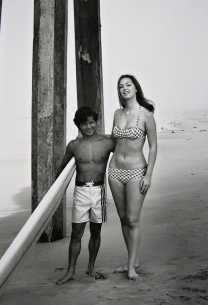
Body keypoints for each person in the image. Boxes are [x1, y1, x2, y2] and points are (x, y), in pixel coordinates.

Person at [56, 106, 115, 284]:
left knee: (96, 231)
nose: (89, 126)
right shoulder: (74, 146)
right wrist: (54, 194)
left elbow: (125, 154)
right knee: (76, 233)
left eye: (91, 122)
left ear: (96, 122)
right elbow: (61, 170)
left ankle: (91, 268)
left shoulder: (108, 142)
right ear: (78, 126)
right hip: (80, 191)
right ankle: (70, 271)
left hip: (99, 191)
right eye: (84, 124)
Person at [108, 74, 157, 280]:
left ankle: (131, 268)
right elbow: (112, 141)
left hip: (137, 171)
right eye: (121, 86)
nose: (124, 88)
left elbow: (153, 146)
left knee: (132, 219)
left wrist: (148, 175)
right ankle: (132, 259)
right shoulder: (117, 113)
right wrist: (87, 139)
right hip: (115, 171)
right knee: (122, 218)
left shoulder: (146, 115)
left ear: (136, 88)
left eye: (128, 85)